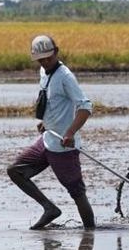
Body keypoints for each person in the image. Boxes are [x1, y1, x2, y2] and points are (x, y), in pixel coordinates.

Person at [7, 35, 95, 230]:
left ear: (56, 52)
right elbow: (52, 102)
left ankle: (90, 235)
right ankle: (49, 208)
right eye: (41, 59)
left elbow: (86, 107)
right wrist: (45, 122)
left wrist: (70, 133)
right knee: (15, 171)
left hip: (64, 147)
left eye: (48, 57)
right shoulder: (44, 72)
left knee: (77, 193)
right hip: (48, 140)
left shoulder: (65, 77)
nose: (45, 62)